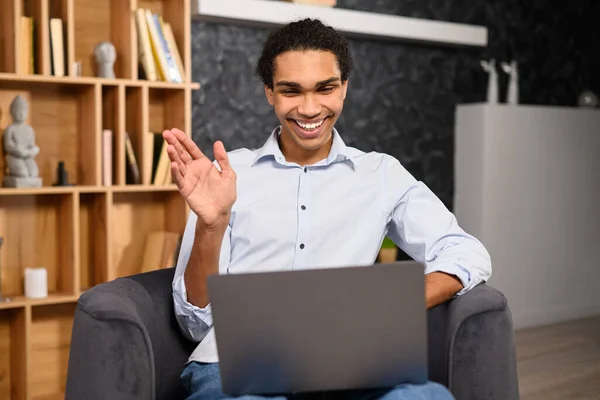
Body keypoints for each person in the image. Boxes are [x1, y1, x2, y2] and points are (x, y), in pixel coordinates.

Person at [164, 18, 492, 400]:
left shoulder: (380, 174)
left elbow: (467, 253)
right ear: (269, 92)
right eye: (291, 90)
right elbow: (194, 324)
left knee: (424, 398)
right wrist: (212, 224)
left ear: (344, 88)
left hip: (350, 361)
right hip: (236, 361)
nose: (309, 108)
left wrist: (390, 306)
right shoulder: (227, 176)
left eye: (325, 88)